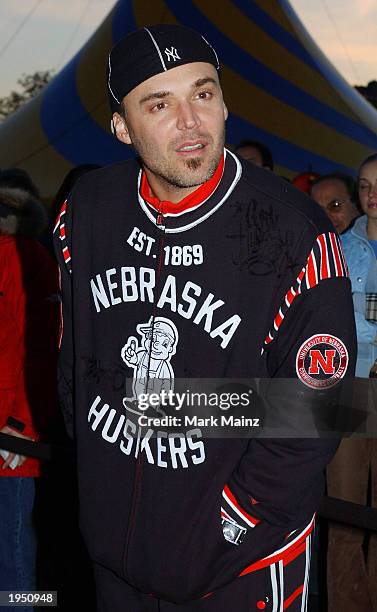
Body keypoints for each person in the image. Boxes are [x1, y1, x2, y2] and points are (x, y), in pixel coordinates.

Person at [54, 24, 356, 611]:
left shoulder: (293, 231)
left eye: (204, 93)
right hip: (114, 554)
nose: (191, 122)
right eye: (159, 104)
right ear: (122, 127)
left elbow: (324, 404)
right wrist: (100, 480)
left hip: (240, 562)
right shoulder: (88, 211)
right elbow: (73, 364)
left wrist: (231, 520)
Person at [0, 183, 59, 604]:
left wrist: (21, 424)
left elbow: (39, 350)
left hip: (10, 437)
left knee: (15, 559)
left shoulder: (24, 257)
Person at [327, 154, 377, 612]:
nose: (372, 196)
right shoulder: (341, 249)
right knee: (344, 511)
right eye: (364, 186)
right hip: (351, 388)